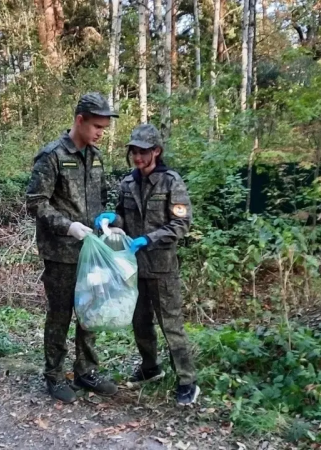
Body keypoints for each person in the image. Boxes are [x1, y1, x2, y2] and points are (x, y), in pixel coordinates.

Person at [26, 92, 123, 404]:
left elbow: (102, 198)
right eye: (96, 126)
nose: (100, 133)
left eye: (104, 128)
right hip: (60, 253)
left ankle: (86, 371)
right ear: (79, 120)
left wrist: (109, 218)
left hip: (92, 251)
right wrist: (66, 225)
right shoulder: (52, 156)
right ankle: (54, 375)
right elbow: (35, 202)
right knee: (60, 314)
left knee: (90, 312)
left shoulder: (95, 156)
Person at [102, 123, 199, 406]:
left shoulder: (171, 182)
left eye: (143, 152)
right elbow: (122, 217)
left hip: (162, 267)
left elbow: (181, 223)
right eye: (134, 151)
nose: (138, 157)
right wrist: (110, 220)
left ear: (156, 151)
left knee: (171, 325)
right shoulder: (127, 183)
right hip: (133, 267)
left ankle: (187, 380)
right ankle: (150, 367)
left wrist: (149, 239)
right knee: (140, 322)